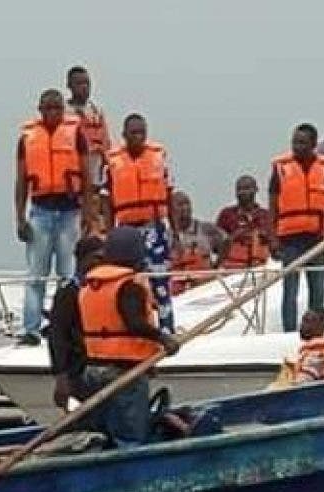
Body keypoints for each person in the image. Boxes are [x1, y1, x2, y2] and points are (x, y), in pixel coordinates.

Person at [76, 227, 179, 447]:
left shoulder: (90, 285)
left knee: (106, 431)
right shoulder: (128, 286)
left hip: (94, 370)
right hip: (123, 374)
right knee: (130, 435)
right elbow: (134, 323)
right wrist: (164, 338)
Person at [14, 88, 92, 345]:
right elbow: (21, 181)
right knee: (36, 275)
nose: (53, 113)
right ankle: (31, 329)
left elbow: (87, 175)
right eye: (47, 108)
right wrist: (19, 218)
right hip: (40, 212)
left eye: (57, 108)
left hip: (70, 212)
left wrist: (88, 213)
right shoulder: (27, 138)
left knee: (67, 275)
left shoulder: (76, 133)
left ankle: (65, 328)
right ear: (40, 109)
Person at [104, 114, 177, 333]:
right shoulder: (111, 162)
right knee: (128, 282)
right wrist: (109, 233)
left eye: (142, 132)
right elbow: (107, 201)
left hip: (154, 227)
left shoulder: (159, 157)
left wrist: (174, 229)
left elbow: (170, 194)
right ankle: (133, 329)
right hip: (125, 231)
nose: (139, 137)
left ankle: (166, 329)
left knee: (159, 279)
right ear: (124, 135)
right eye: (134, 133)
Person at [268, 123, 324, 332]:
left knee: (318, 289)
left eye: (302, 142)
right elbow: (272, 207)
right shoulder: (281, 169)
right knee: (290, 290)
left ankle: (317, 331)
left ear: (313, 144)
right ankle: (290, 331)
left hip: (318, 238)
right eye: (294, 142)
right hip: (290, 240)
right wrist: (272, 239)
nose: (296, 146)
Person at [47, 236, 106, 411]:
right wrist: (61, 378)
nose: (101, 263)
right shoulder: (68, 294)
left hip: (100, 370)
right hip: (76, 374)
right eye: (97, 258)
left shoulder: (100, 291)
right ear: (82, 259)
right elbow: (57, 337)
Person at [168, 190, 225, 295]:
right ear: (171, 210)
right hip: (178, 292)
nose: (185, 207)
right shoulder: (166, 236)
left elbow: (226, 240)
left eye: (187, 203)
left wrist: (217, 267)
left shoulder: (206, 228)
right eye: (180, 205)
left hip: (205, 288)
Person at [65, 66, 110, 189]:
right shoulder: (64, 112)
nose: (84, 87)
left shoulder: (96, 110)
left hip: (96, 174)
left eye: (87, 83)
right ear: (69, 85)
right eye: (79, 83)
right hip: (72, 173)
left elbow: (106, 142)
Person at [215, 175, 272, 270]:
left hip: (262, 267)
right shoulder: (227, 214)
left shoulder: (266, 215)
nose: (242, 192)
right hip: (232, 269)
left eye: (246, 188)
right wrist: (234, 237)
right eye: (239, 189)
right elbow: (216, 246)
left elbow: (277, 243)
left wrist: (265, 237)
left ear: (256, 189)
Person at [292, 307, 324, 384]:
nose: (302, 325)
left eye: (307, 321)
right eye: (303, 321)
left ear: (322, 325)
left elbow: (300, 384)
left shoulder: (317, 356)